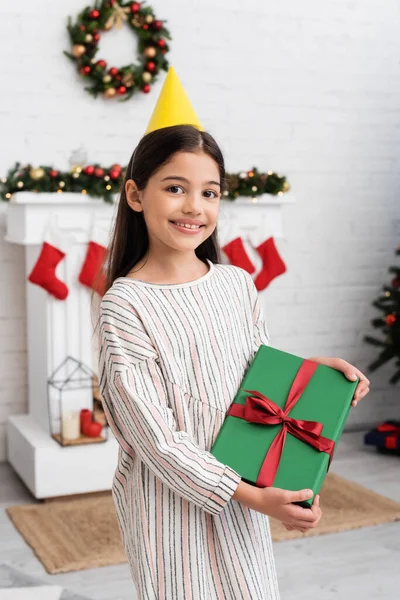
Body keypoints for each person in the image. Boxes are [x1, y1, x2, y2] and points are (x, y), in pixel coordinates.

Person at [97, 68, 370, 600]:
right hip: (169, 506)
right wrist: (249, 496)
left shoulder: (236, 283)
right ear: (136, 194)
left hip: (245, 489)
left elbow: (255, 378)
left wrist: (317, 376)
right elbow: (158, 443)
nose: (194, 207)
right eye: (175, 188)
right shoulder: (123, 306)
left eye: (210, 192)